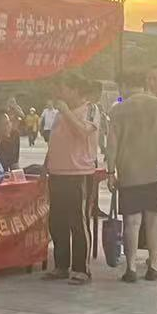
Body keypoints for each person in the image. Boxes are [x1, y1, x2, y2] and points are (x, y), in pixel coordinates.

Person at [107, 69, 157, 282]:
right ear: (144, 84)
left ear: (124, 86)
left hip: (130, 173)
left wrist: (111, 171)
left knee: (132, 221)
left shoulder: (118, 110)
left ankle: (130, 268)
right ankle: (153, 265)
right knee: (155, 219)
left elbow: (112, 144)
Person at [45, 76, 99, 285]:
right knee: (57, 220)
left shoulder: (90, 109)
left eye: (63, 88)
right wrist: (45, 166)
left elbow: (83, 132)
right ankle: (61, 265)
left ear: (76, 90)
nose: (60, 92)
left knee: (78, 221)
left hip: (79, 173)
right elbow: (55, 140)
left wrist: (66, 111)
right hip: (57, 173)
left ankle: (81, 269)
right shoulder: (60, 113)